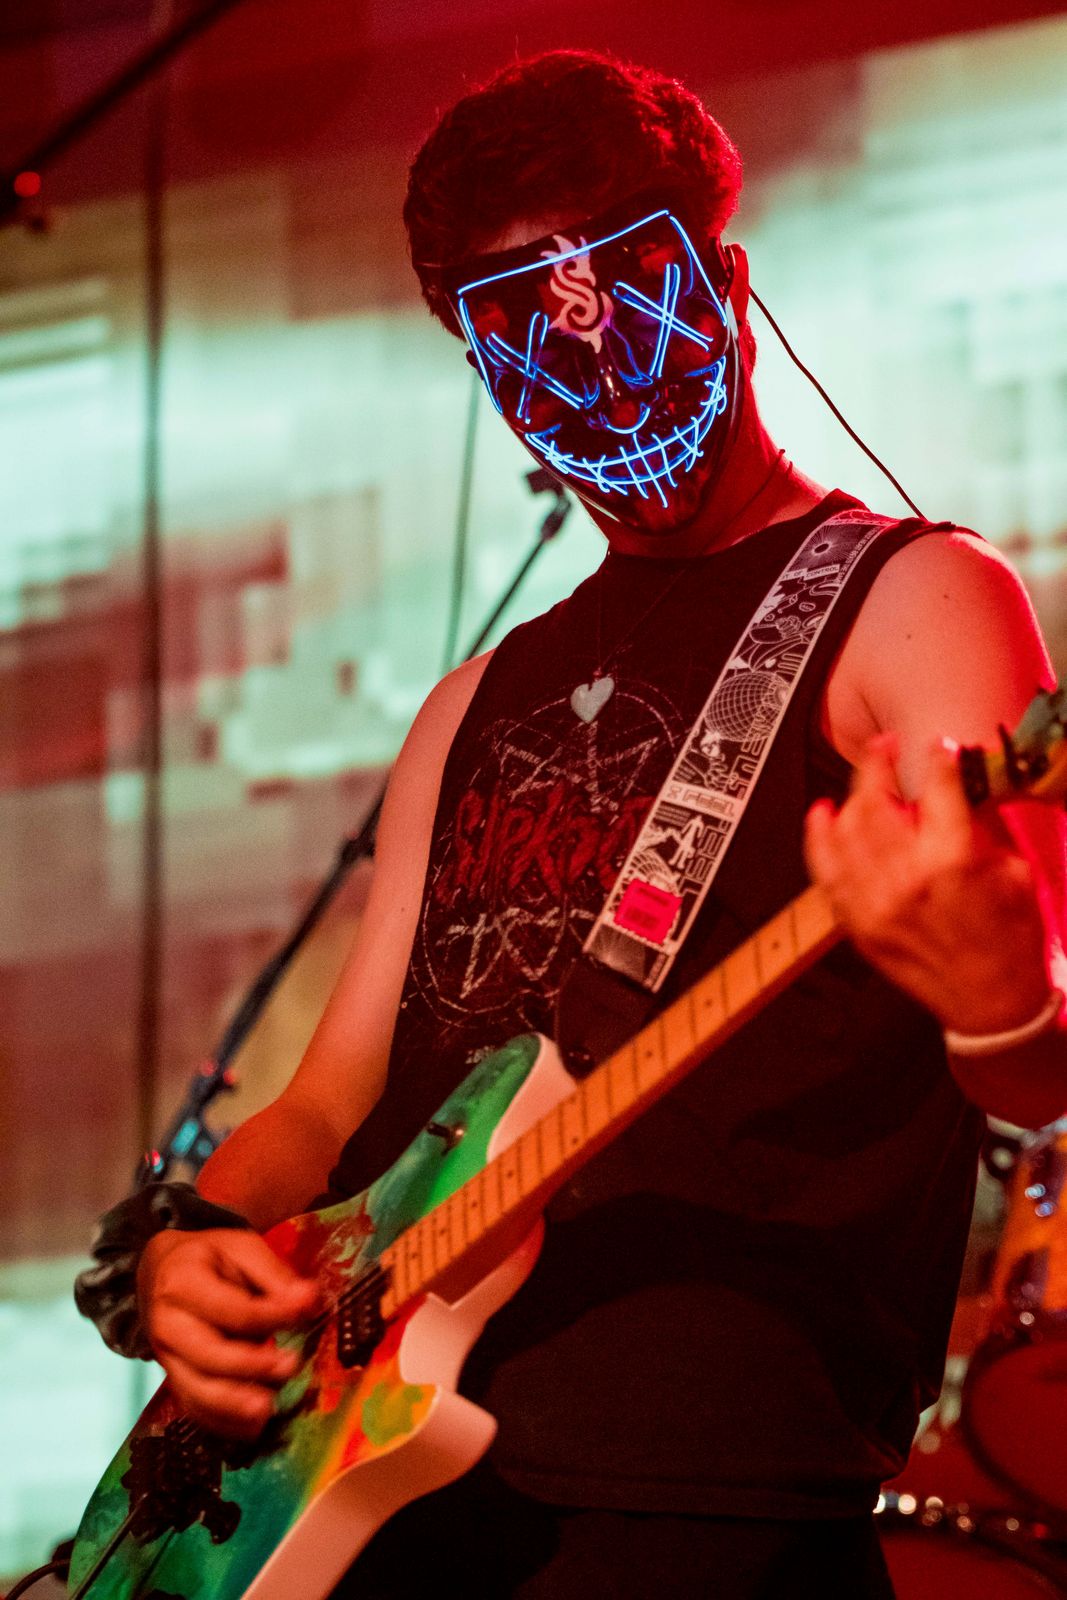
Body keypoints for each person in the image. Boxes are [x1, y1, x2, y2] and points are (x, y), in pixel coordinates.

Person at [82, 50, 1066, 1599]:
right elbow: (328, 1105)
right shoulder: (470, 701)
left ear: (726, 284)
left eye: (634, 302)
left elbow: (1041, 1072)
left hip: (701, 1507)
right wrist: (188, 1251)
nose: (598, 371)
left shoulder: (916, 596)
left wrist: (1006, 991)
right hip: (375, 1493)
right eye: (532, 345)